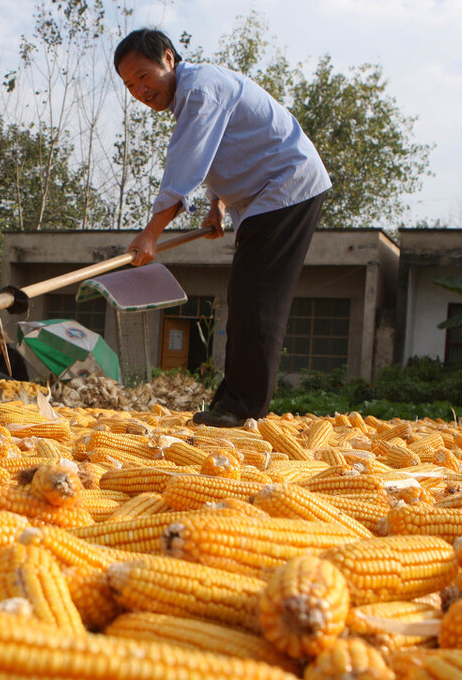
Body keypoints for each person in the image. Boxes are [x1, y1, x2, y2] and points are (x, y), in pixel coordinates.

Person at [114, 28, 331, 428]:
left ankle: (242, 409)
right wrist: (217, 206)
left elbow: (185, 166)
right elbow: (220, 154)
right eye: (130, 85)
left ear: (168, 58)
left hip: (287, 185)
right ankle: (233, 403)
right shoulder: (193, 96)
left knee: (257, 298)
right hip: (262, 197)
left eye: (143, 76)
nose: (140, 91)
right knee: (246, 296)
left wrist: (151, 233)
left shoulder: (201, 91)